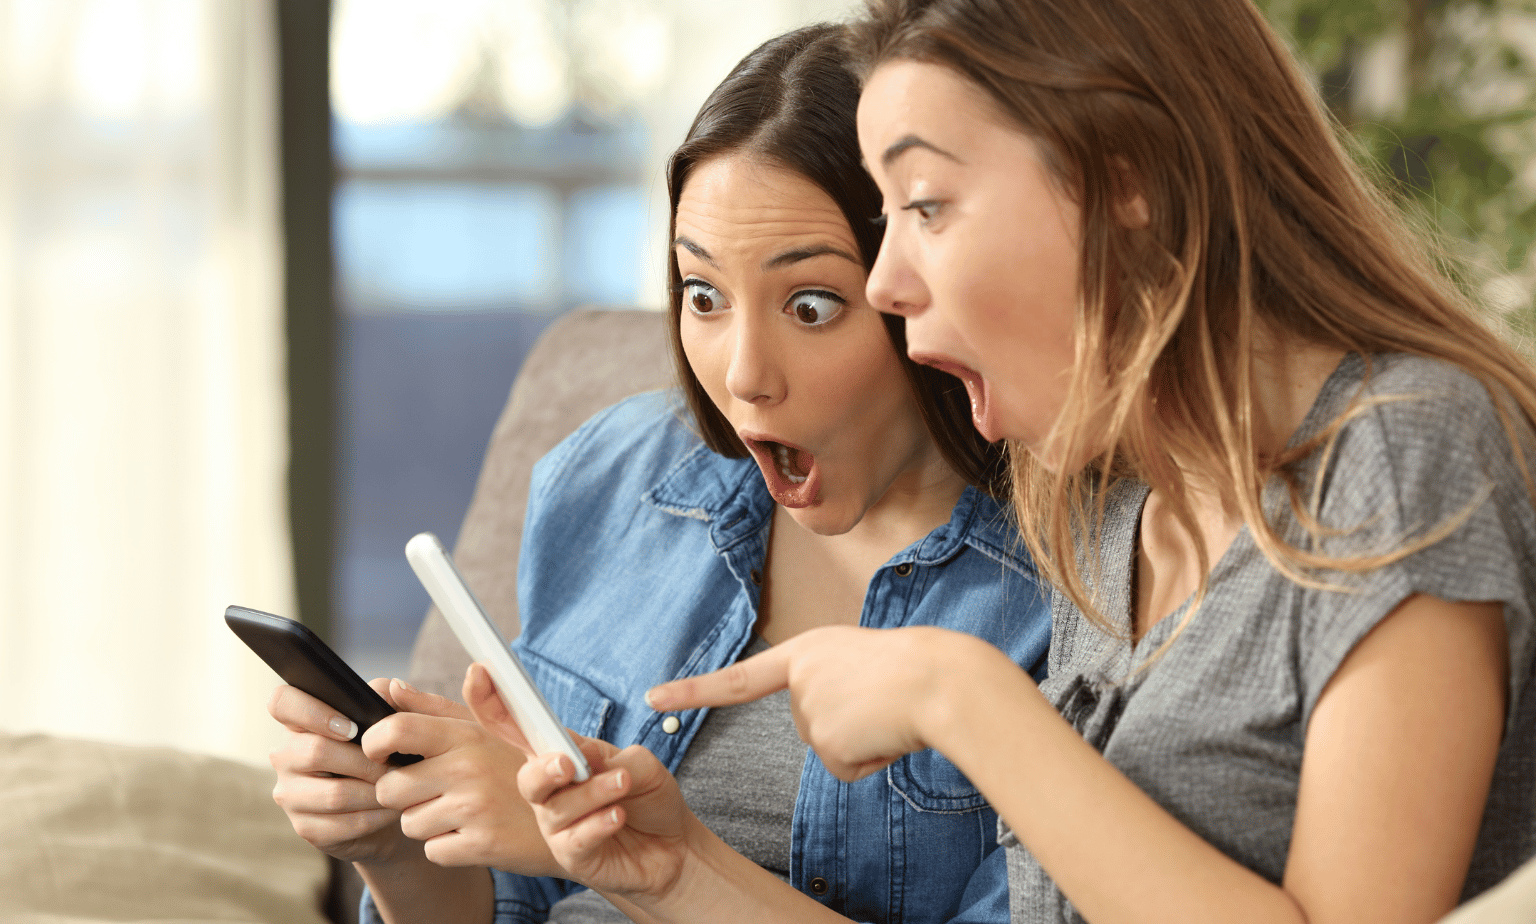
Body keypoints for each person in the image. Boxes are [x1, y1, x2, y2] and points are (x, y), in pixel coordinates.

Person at [502, 2, 1536, 923]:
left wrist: (960, 697)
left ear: (1123, 181)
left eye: (925, 206)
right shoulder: (1103, 513)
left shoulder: (1403, 446)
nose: (888, 283)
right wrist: (674, 869)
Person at [264, 22, 1050, 924]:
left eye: (810, 305)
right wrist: (398, 846)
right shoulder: (616, 474)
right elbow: (511, 901)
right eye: (704, 296)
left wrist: (652, 864)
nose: (744, 375)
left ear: (918, 286)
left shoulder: (1062, 594)